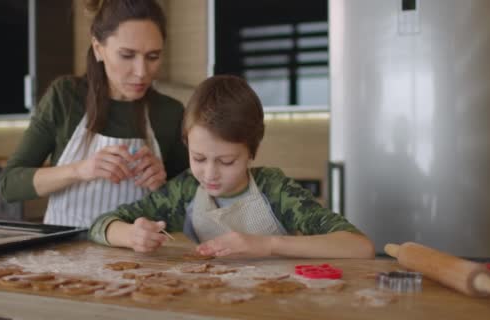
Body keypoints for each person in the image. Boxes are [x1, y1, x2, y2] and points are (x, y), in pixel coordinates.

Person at [89, 75, 375, 259]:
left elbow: (359, 246)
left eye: (226, 161)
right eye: (199, 158)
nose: (210, 174)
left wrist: (268, 245)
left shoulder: (275, 190)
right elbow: (102, 224)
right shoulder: (186, 190)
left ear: (252, 150)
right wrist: (132, 235)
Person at [0, 0, 188, 228]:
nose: (141, 72)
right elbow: (9, 185)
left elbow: (191, 204)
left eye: (153, 56)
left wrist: (162, 183)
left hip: (137, 259)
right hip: (64, 253)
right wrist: (80, 170)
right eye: (127, 55)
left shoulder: (170, 112)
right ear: (98, 49)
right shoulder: (66, 97)